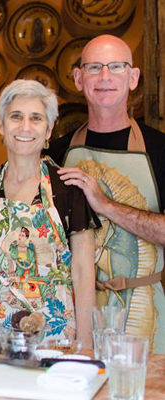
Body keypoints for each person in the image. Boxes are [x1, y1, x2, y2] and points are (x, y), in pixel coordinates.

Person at [47, 34, 165, 353]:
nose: (105, 77)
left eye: (116, 66)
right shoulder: (56, 153)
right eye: (94, 67)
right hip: (71, 312)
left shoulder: (160, 149)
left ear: (133, 77)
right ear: (78, 78)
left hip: (144, 310)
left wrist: (104, 205)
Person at [0, 79, 98, 345]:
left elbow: (84, 272)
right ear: (1, 124)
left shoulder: (67, 188)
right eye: (16, 116)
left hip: (55, 331)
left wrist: (86, 346)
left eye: (36, 118)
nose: (25, 127)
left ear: (49, 130)